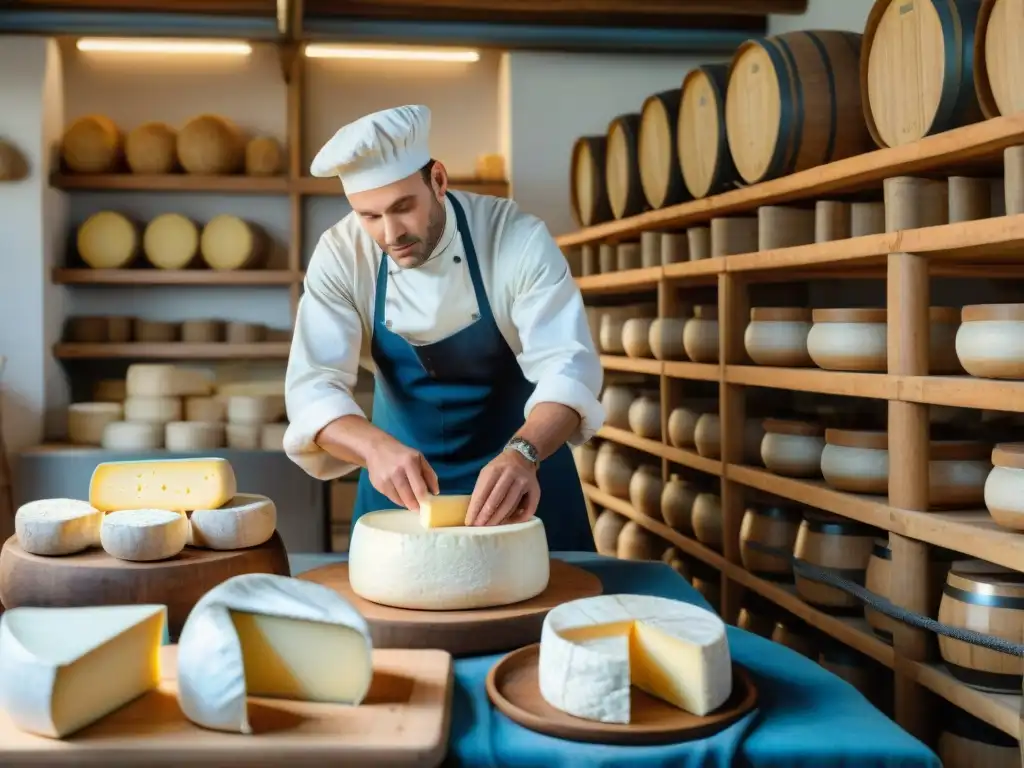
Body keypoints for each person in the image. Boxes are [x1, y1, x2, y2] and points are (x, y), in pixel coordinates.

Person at [282, 104, 603, 552]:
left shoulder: (515, 238)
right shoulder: (340, 255)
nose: (391, 233)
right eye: (370, 216)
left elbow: (569, 369)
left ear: (438, 180)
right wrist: (374, 449)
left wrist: (524, 453)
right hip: (400, 491)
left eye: (402, 207)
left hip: (523, 482)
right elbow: (312, 388)